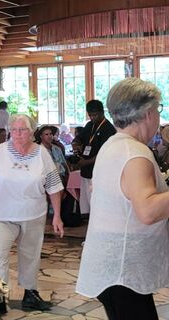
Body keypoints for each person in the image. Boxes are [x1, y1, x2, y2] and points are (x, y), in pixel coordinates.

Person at [76, 78, 169, 320]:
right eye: (158, 110)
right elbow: (147, 211)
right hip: (123, 268)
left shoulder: (114, 145)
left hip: (115, 263)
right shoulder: (134, 153)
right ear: (148, 113)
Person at [0, 114, 64, 311]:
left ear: (32, 131)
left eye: (23, 130)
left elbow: (53, 186)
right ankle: (0, 297)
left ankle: (30, 293)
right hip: (2, 214)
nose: (18, 134)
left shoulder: (42, 153)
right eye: (15, 130)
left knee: (31, 255)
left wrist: (57, 216)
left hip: (33, 214)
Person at [72, 100, 116, 215]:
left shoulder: (109, 129)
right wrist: (76, 144)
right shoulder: (89, 125)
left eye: (95, 115)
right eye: (90, 115)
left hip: (98, 172)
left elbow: (104, 153)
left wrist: (86, 162)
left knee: (96, 205)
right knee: (86, 204)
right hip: (86, 171)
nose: (92, 118)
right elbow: (78, 138)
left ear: (102, 113)